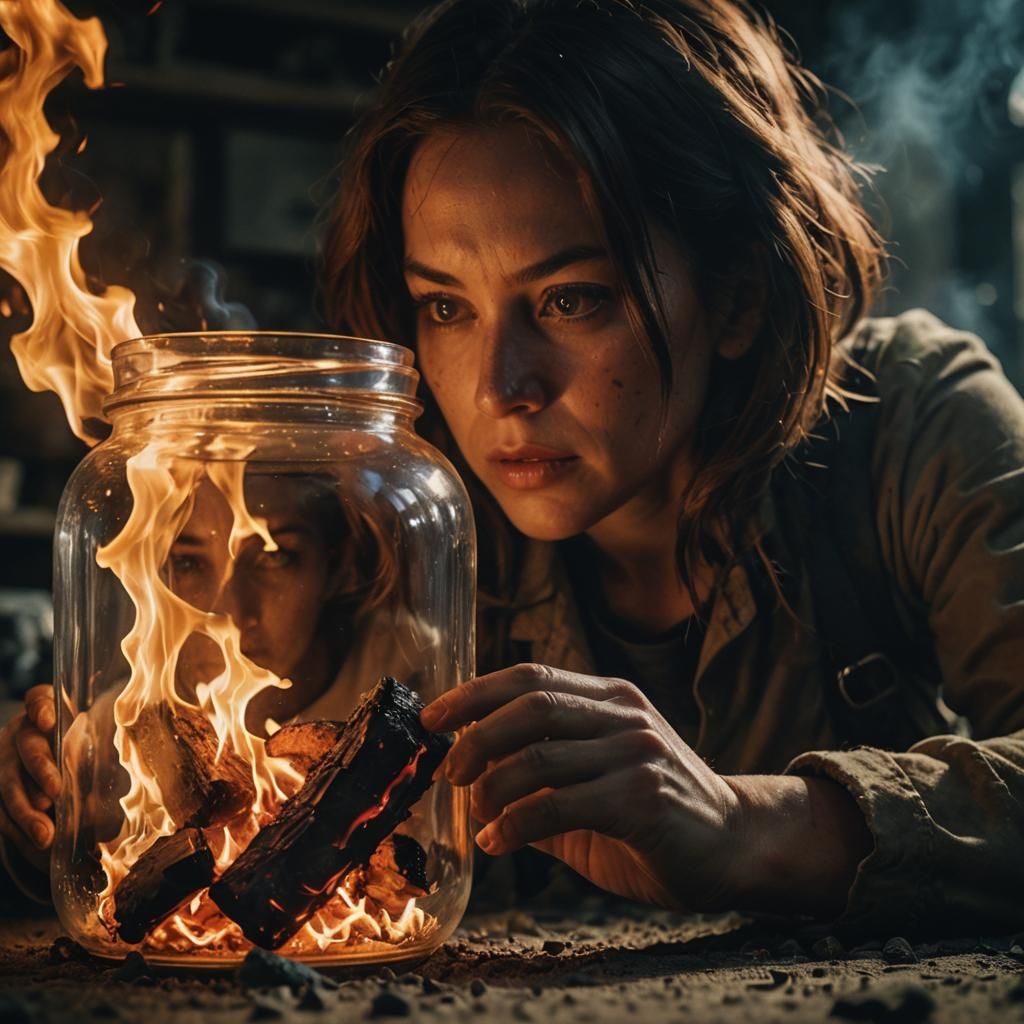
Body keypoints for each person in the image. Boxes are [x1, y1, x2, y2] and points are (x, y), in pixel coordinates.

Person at [318, 0, 1024, 934]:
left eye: (570, 299)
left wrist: (746, 827)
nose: (499, 387)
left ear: (736, 296)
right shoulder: (404, 515)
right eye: (446, 309)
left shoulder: (914, 423)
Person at [0, 469, 418, 899]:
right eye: (189, 562)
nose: (230, 615)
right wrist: (39, 822)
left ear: (336, 569)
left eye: (274, 555)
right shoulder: (122, 726)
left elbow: (447, 873)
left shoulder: (413, 682)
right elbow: (73, 870)